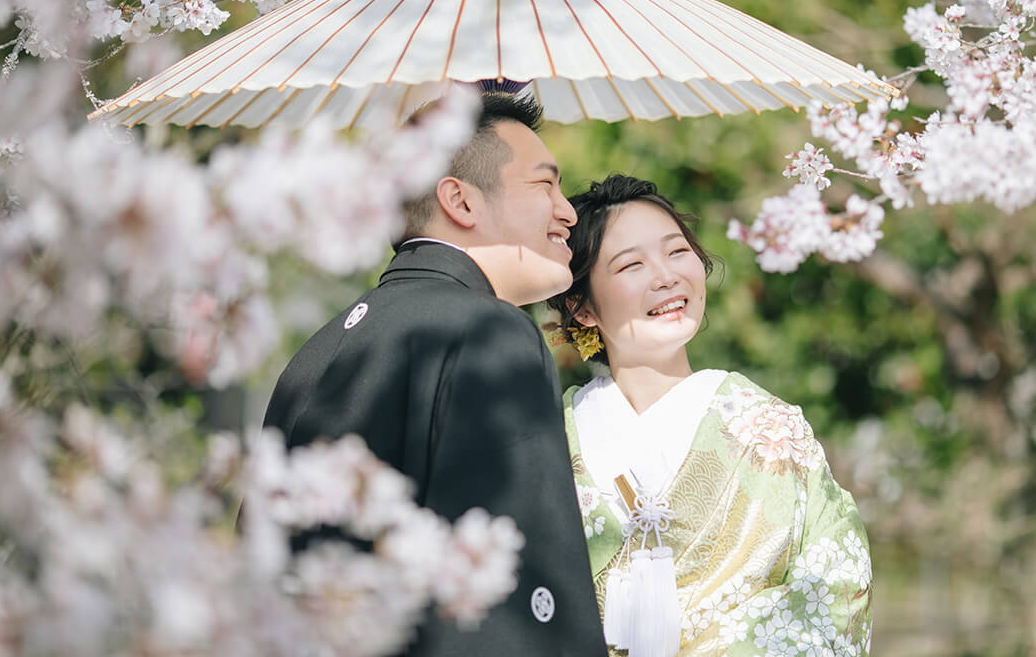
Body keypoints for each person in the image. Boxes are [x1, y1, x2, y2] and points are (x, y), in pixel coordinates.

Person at [262, 92, 607, 657]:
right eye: (545, 185)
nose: (568, 211)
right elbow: (510, 599)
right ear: (460, 201)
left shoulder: (318, 350)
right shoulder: (489, 330)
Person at [547, 174, 872, 657]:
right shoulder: (552, 438)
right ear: (582, 307)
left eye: (677, 252)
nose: (666, 276)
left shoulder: (769, 426)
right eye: (632, 264)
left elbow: (835, 582)